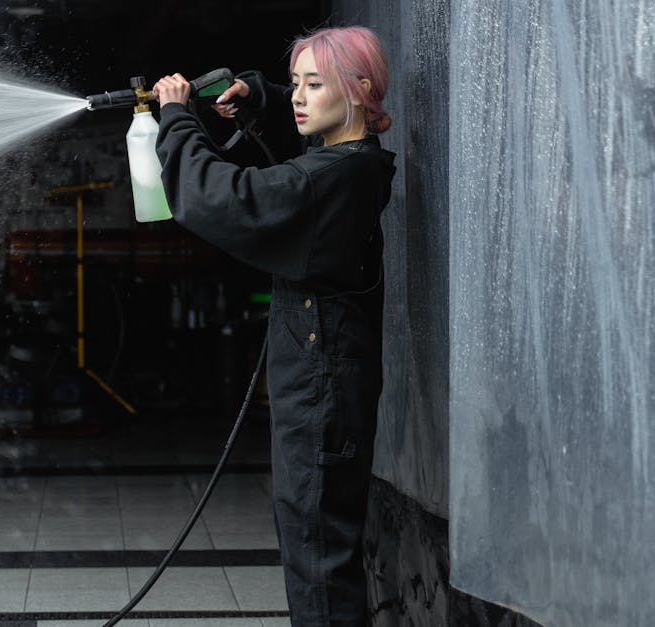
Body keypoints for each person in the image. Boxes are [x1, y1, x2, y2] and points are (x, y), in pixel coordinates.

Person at [152, 26, 395, 627]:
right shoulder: (350, 163)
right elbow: (307, 143)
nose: (299, 96)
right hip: (327, 385)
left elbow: (226, 198)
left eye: (315, 84)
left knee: (318, 559)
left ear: (360, 91)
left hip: (322, 394)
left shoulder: (326, 181)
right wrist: (257, 93)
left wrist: (178, 119)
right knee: (320, 550)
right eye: (296, 83)